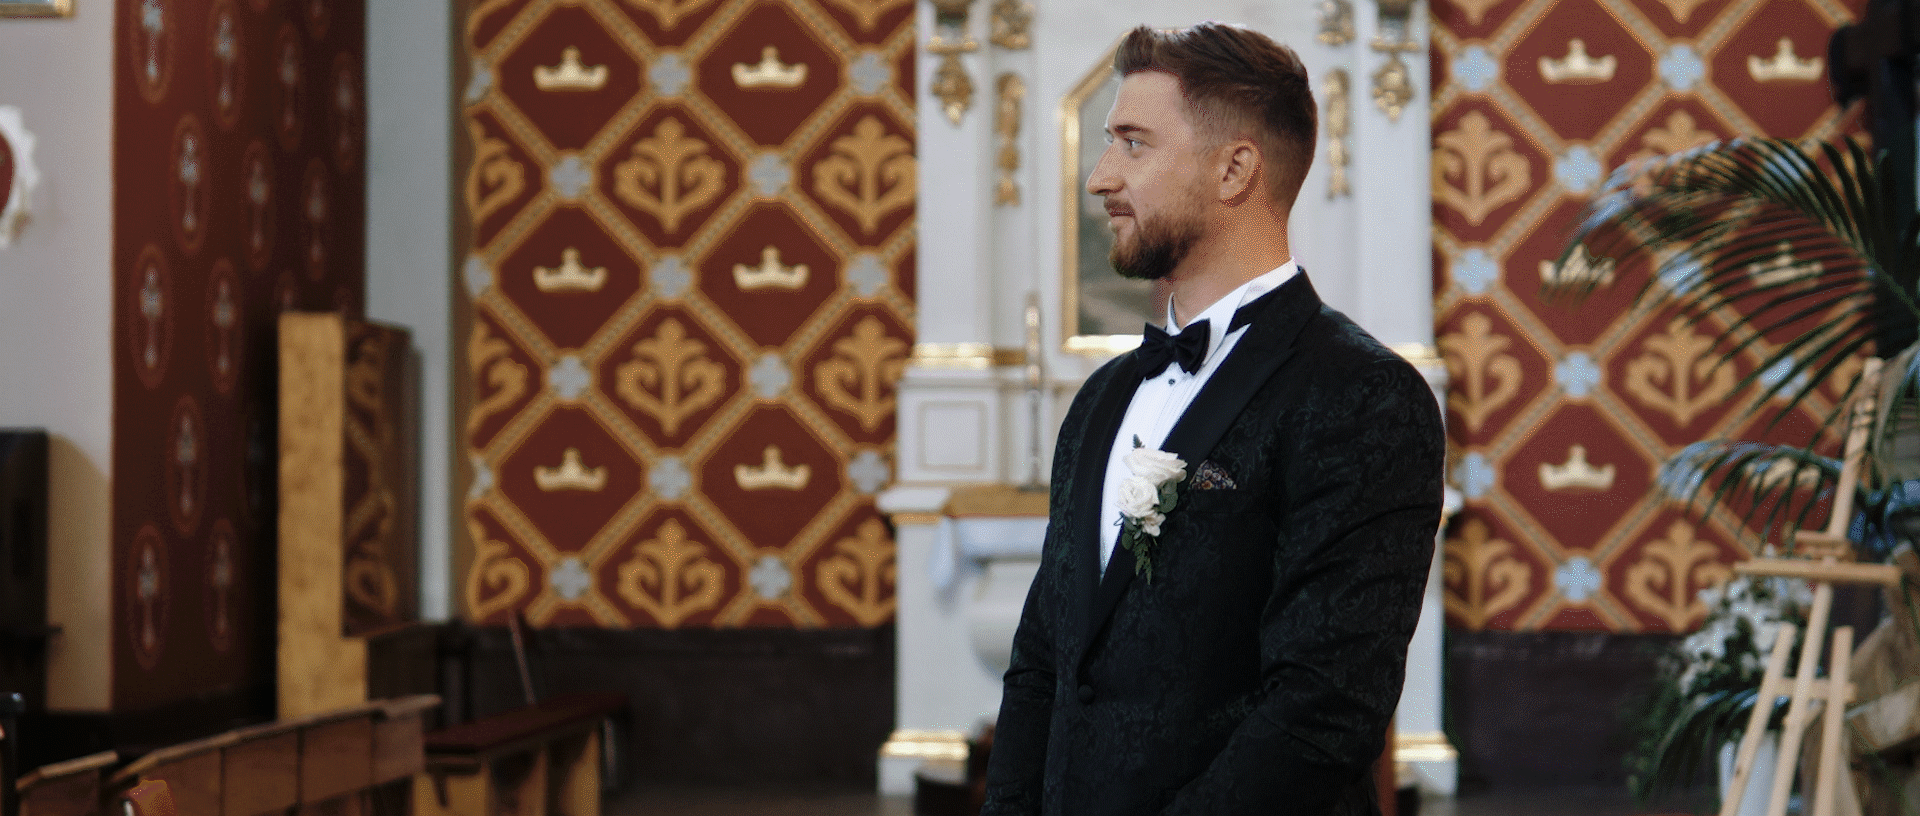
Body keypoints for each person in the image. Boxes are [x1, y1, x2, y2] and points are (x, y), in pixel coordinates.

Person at [979, 22, 1446, 816]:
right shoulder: (1101, 398)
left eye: (1133, 144)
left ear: (1234, 169)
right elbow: (1041, 665)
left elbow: (1321, 712)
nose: (1099, 177)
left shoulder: (1364, 395)